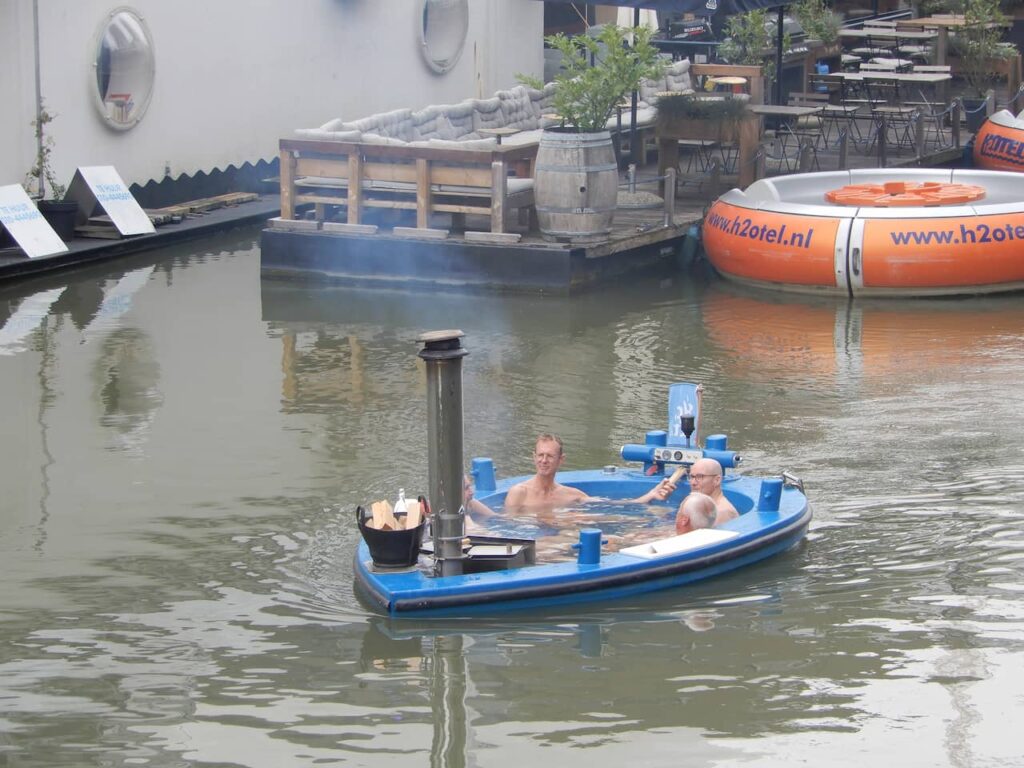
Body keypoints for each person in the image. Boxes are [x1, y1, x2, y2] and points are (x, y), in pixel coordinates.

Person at [503, 433, 674, 511]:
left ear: (561, 459)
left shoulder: (572, 495)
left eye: (549, 456)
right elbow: (508, 527)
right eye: (540, 455)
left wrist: (651, 494)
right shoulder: (519, 493)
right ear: (534, 457)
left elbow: (616, 505)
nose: (544, 461)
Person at [662, 457, 738, 524]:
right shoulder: (705, 507)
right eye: (692, 477)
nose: (693, 482)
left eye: (699, 477)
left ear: (717, 480)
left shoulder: (721, 513)